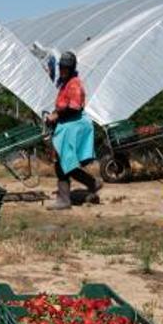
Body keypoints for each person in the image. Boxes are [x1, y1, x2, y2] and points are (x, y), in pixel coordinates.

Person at [45, 52, 100, 211]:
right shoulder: (65, 83)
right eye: (61, 67)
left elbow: (74, 106)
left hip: (74, 125)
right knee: (64, 163)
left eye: (65, 68)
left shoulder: (74, 83)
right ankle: (92, 183)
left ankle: (64, 200)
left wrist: (56, 115)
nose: (62, 70)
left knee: (63, 164)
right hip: (68, 125)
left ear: (71, 68)